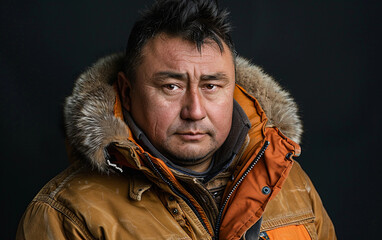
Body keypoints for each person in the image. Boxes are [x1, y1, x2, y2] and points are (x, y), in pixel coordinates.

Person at [16, 0, 336, 239]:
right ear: (126, 93)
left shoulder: (289, 182)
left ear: (233, 88)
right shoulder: (67, 214)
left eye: (211, 85)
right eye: (171, 87)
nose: (194, 110)